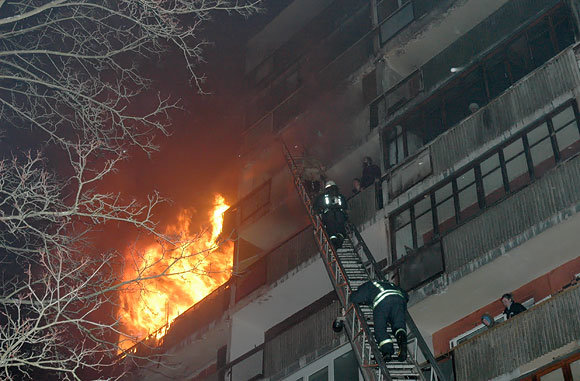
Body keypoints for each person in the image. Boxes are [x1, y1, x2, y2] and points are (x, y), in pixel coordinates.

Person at [350, 279, 409, 362]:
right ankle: (402, 344)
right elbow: (406, 296)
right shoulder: (390, 284)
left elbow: (356, 297)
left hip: (383, 301)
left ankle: (387, 352)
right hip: (399, 300)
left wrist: (351, 298)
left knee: (380, 329)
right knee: (398, 325)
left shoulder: (368, 285)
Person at [314, 181, 348, 249]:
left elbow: (316, 207)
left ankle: (334, 244)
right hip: (340, 216)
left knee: (331, 232)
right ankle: (339, 240)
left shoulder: (323, 196)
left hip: (328, 216)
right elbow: (345, 206)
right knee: (341, 231)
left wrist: (318, 213)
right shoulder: (340, 196)